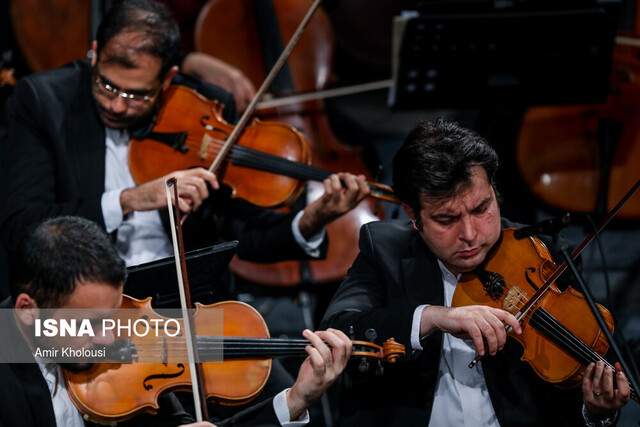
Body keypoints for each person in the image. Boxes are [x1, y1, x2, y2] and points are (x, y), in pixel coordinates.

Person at [0, 0, 369, 298]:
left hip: (186, 309)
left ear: (168, 78)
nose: (117, 105)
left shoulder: (205, 105)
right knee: (23, 347)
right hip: (78, 308)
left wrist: (312, 220)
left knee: (282, 387)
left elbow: (243, 234)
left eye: (137, 95)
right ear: (94, 55)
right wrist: (129, 200)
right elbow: (22, 228)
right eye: (107, 87)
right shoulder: (44, 101)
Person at [319, 118, 631, 426]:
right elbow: (336, 329)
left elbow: (563, 402)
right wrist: (434, 316)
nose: (469, 234)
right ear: (414, 216)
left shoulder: (546, 255)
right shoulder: (385, 248)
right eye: (446, 219)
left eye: (481, 209)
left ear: (495, 193)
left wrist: (596, 414)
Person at [0, 215, 352, 427]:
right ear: (29, 311)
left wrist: (295, 400)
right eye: (91, 324)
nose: (113, 340)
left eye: (114, 317)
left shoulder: (117, 350)